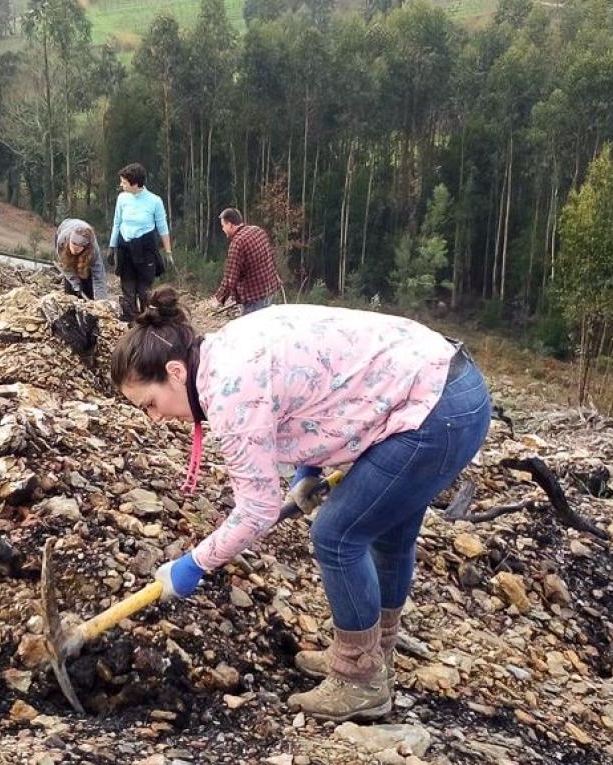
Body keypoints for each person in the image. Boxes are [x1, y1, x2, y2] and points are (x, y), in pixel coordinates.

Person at [111, 288, 491, 723]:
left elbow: (256, 511)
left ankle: (360, 681)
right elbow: (315, 387)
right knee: (388, 535)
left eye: (150, 404)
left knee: (336, 535)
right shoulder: (226, 346)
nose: (155, 418)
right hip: (451, 384)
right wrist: (307, 471)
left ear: (175, 372)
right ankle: (369, 657)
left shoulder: (230, 392)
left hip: (433, 412)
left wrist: (193, 565)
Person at [109, 163, 172, 322]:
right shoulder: (122, 198)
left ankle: (147, 322)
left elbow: (162, 227)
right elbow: (117, 222)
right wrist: (112, 246)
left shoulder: (154, 201)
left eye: (124, 182)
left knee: (144, 291)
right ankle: (130, 323)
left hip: (145, 248)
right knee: (128, 290)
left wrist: (168, 251)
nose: (121, 185)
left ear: (135, 184)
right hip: (125, 247)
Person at [214, 208, 280, 315]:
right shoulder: (258, 231)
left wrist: (218, 299)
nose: (223, 229)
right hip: (269, 292)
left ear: (230, 225)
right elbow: (271, 258)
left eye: (223, 226)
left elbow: (230, 278)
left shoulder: (237, 243)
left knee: (249, 326)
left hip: (253, 300)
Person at [54, 218, 108, 300]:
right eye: (73, 244)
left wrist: (101, 301)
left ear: (85, 247)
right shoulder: (62, 241)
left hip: (86, 254)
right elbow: (66, 267)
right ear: (70, 240)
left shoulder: (93, 250)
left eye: (79, 247)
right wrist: (76, 284)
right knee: (71, 286)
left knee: (87, 279)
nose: (75, 249)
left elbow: (99, 277)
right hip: (66, 225)